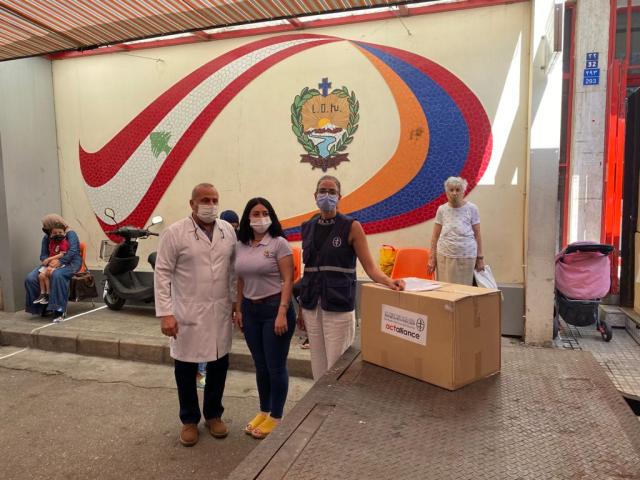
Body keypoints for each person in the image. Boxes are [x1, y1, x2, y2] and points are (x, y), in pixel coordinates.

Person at [298, 175, 405, 381]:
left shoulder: (351, 226)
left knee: (337, 369)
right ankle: (318, 408)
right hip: (313, 305)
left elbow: (371, 267)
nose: (326, 195)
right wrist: (302, 306)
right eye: (322, 191)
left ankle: (335, 411)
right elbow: (309, 269)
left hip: (338, 306)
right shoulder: (308, 227)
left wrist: (389, 281)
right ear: (315, 195)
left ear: (339, 197)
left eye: (331, 192)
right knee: (318, 367)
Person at [154, 183, 237, 447]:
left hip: (220, 310)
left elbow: (233, 271)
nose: (210, 205)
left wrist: (236, 303)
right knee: (186, 368)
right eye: (204, 200)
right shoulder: (175, 233)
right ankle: (189, 419)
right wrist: (166, 313)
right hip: (186, 312)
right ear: (192, 203)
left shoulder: (227, 231)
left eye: (214, 200)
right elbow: (162, 273)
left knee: (218, 365)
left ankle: (213, 415)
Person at [233, 198, 295, 439]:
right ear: (248, 217)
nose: (260, 218)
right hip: (251, 310)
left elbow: (287, 280)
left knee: (275, 366)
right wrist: (239, 309)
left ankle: (276, 417)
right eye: (255, 213)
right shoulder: (241, 245)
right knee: (260, 366)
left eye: (265, 213)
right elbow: (240, 279)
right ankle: (264, 410)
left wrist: (282, 312)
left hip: (274, 309)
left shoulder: (279, 244)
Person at [196, 210, 240, 389]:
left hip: (225, 298)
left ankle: (210, 373)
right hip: (205, 298)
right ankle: (201, 372)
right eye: (232, 226)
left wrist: (235, 301)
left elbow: (234, 273)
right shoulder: (209, 240)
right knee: (205, 337)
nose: (234, 229)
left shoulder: (232, 240)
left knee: (219, 340)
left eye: (236, 227)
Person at [427, 176, 484, 285]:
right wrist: (432, 258)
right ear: (446, 192)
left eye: (458, 190)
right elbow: (435, 236)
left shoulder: (472, 208)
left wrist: (480, 258)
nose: (454, 193)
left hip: (467, 257)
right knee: (445, 289)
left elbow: (478, 234)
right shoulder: (442, 209)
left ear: (463, 191)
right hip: (444, 256)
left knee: (464, 290)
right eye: (451, 190)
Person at [24, 214, 82, 321]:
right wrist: (48, 260)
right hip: (51, 262)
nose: (44, 227)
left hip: (71, 262)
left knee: (57, 275)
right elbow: (43, 255)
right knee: (30, 278)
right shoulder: (47, 237)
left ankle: (58, 310)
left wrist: (60, 261)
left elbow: (73, 251)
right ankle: (42, 308)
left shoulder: (70, 234)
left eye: (46, 225)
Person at [33, 223, 70, 306]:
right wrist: (48, 261)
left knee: (46, 274)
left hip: (59, 263)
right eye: (55, 233)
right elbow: (50, 253)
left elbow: (62, 254)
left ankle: (48, 295)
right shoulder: (51, 242)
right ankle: (42, 294)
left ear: (64, 233)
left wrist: (49, 259)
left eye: (60, 232)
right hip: (51, 263)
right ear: (51, 234)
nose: (58, 235)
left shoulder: (64, 242)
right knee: (40, 276)